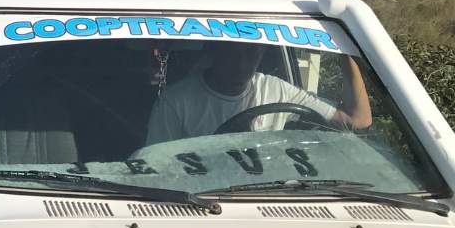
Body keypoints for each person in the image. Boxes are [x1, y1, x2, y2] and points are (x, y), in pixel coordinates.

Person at [146, 42, 372, 144]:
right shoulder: (176, 103)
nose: (243, 63)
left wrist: (342, 50)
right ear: (215, 50)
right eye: (233, 53)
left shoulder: (275, 89)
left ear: (262, 53)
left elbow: (358, 120)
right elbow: (158, 170)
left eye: (252, 53)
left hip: (268, 195)